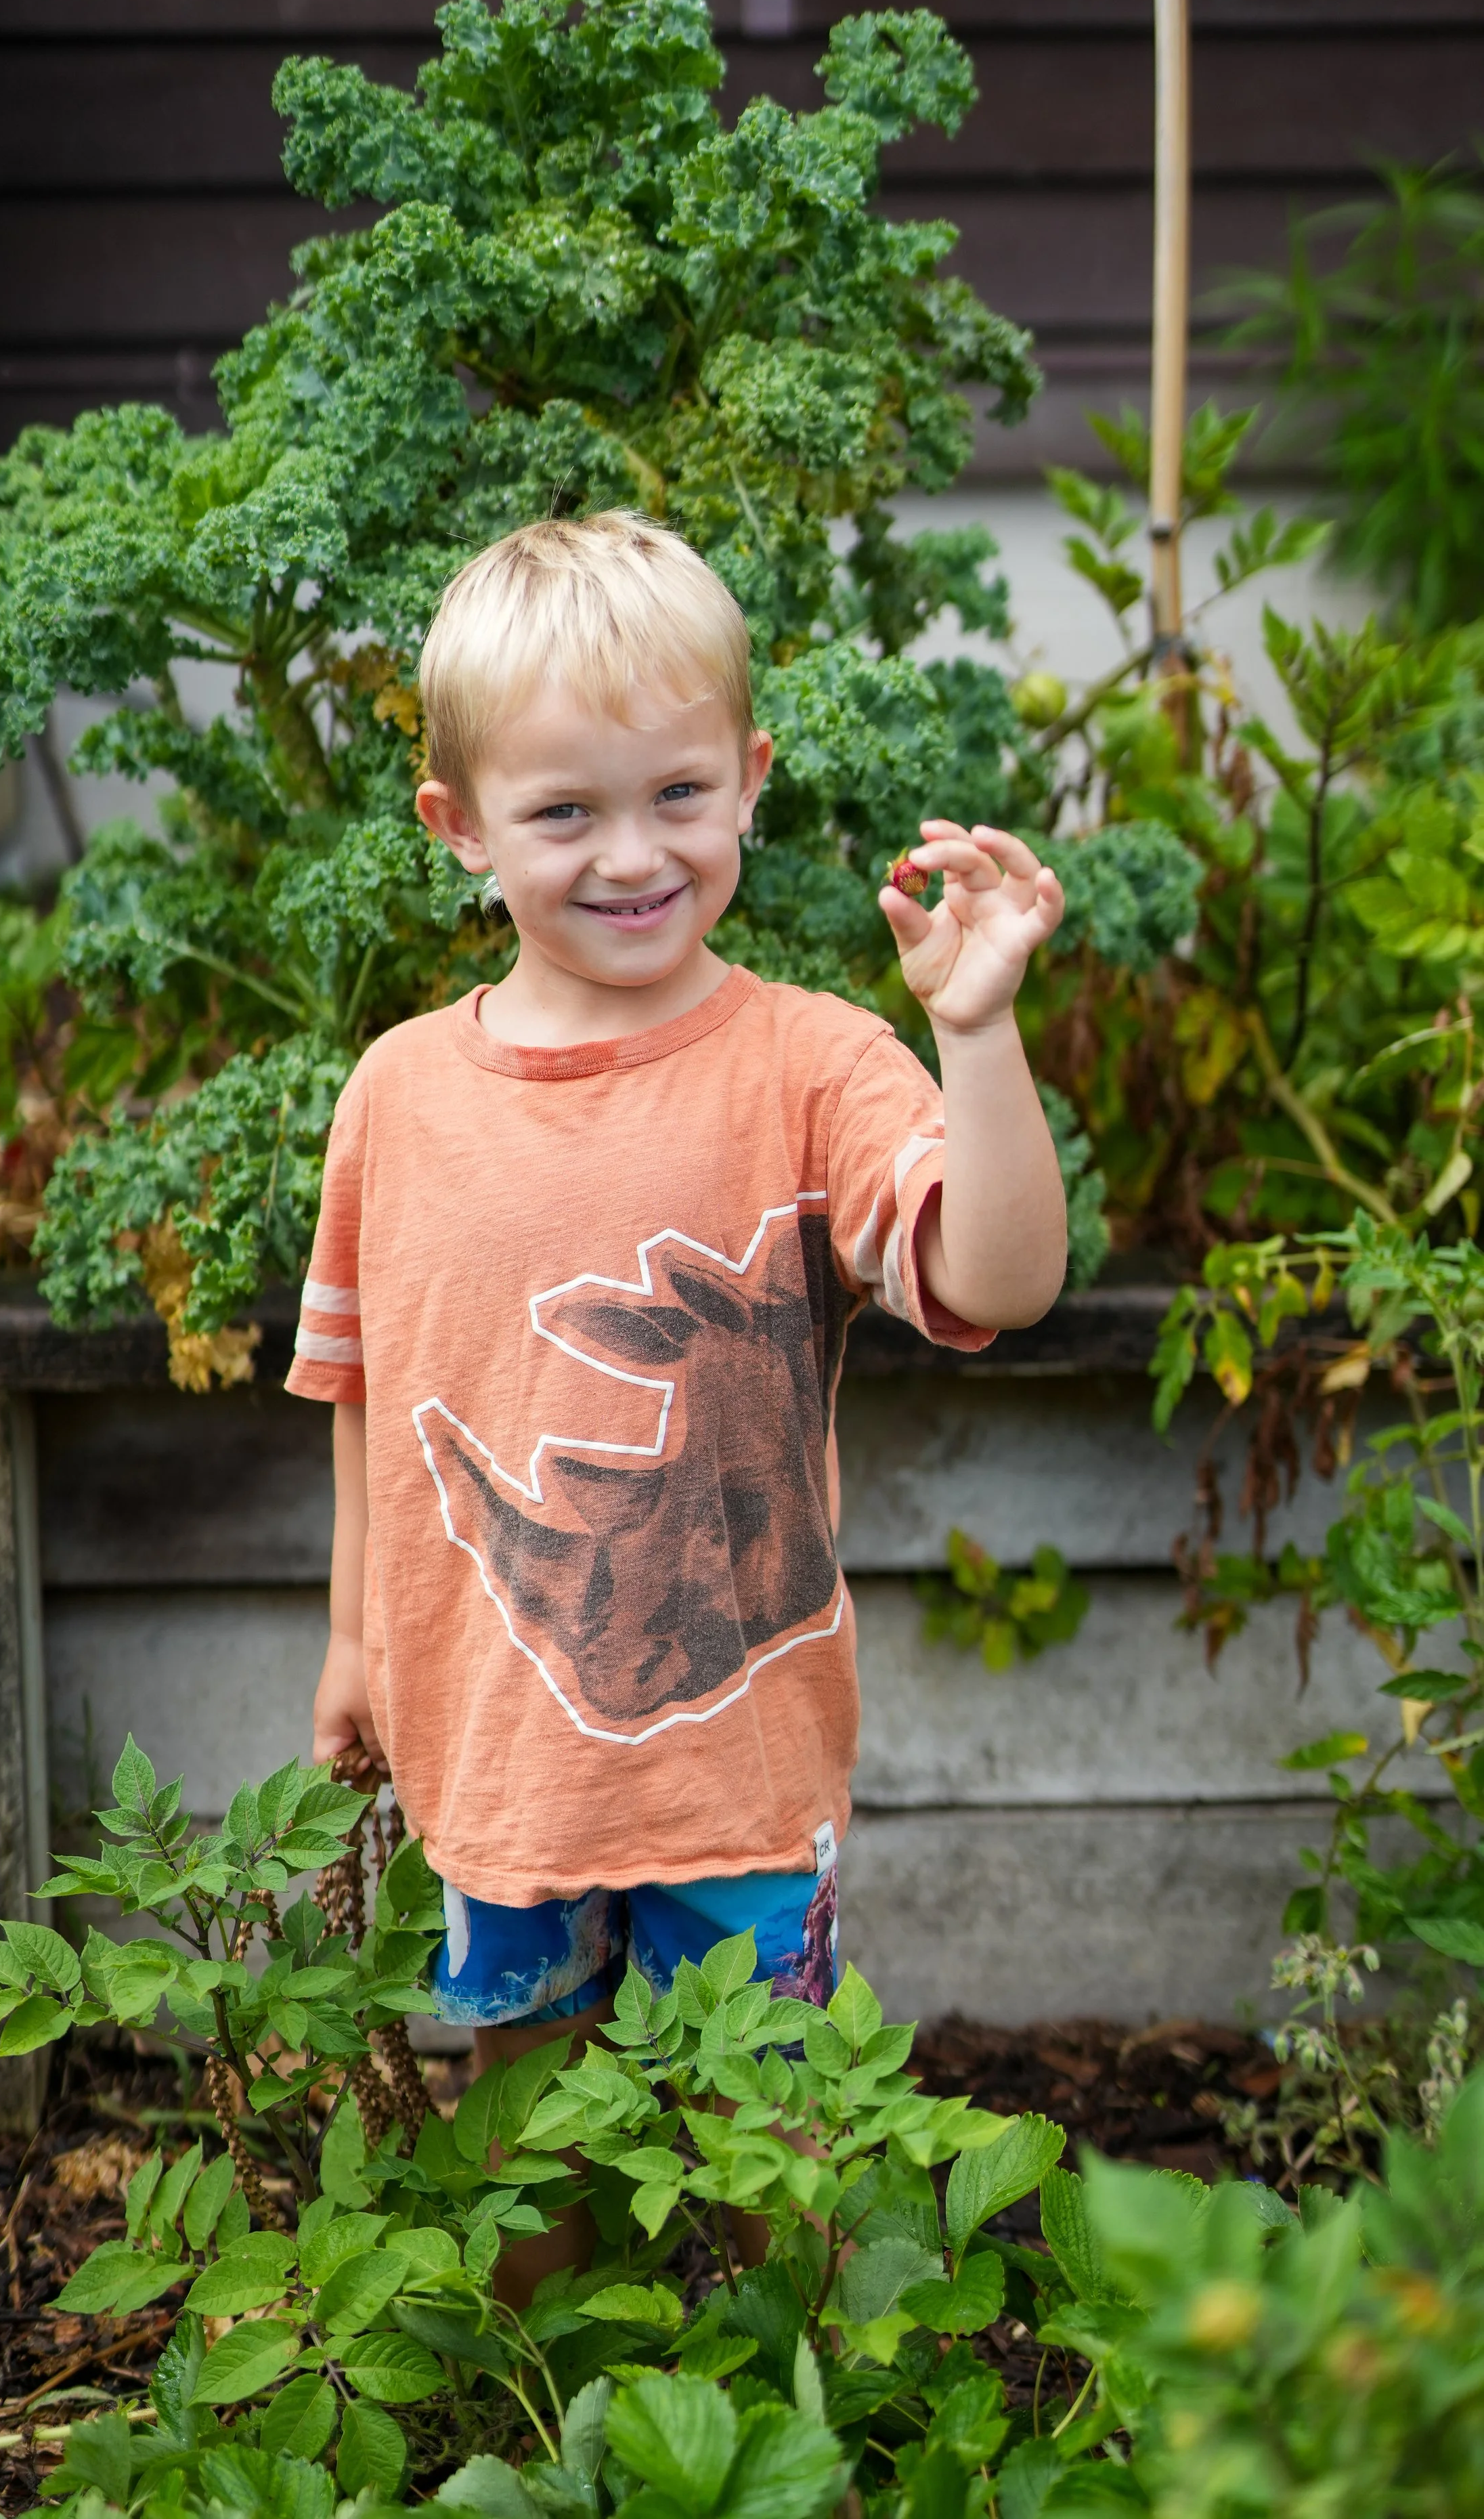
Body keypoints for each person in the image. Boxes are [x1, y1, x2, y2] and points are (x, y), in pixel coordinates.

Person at [287, 510, 1066, 2185]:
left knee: (776, 2136)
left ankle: (796, 2416)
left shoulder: (814, 1066)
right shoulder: (399, 1096)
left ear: (750, 777)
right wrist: (358, 1638)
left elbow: (995, 1276)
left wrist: (977, 1033)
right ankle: (560, 2421)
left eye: (677, 797)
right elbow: (363, 1388)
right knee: (530, 2129)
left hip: (740, 1759)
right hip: (498, 1752)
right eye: (563, 811)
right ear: (458, 829)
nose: (631, 854)